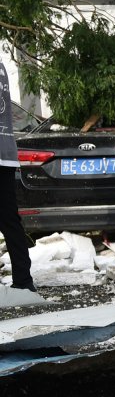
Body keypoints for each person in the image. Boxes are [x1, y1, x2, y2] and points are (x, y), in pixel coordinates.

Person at [0, 61, 33, 292]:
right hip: (5, 153)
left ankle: (23, 281)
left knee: (9, 221)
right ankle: (23, 281)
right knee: (9, 220)